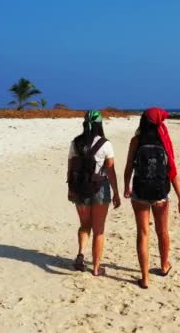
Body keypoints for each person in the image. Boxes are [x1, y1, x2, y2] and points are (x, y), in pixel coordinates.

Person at [124, 107, 180, 289]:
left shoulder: (136, 141)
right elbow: (172, 171)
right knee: (162, 231)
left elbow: (129, 167)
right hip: (161, 194)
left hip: (140, 193)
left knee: (143, 233)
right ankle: (164, 265)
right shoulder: (164, 141)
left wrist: (126, 186)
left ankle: (145, 278)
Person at [67, 110, 121, 276]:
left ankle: (81, 255)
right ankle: (96, 267)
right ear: (100, 124)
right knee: (99, 230)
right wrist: (116, 193)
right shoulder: (105, 144)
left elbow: (70, 168)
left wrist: (70, 189)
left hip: (80, 189)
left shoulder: (75, 143)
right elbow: (110, 171)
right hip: (100, 189)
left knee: (84, 225)